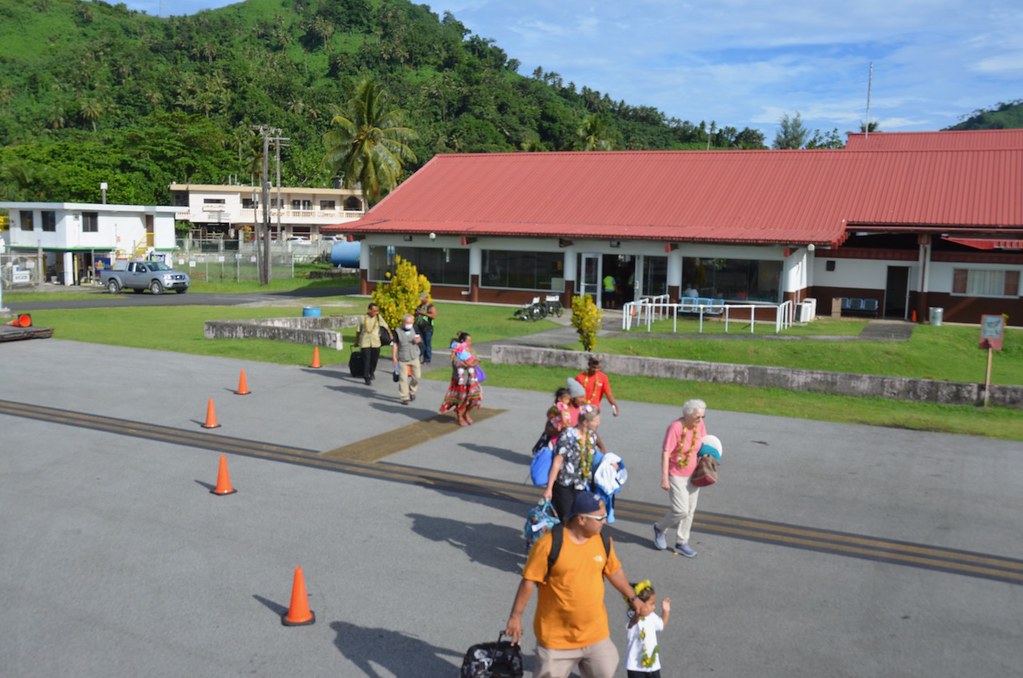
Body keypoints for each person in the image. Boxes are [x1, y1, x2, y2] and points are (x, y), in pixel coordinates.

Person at [505, 492, 641, 678]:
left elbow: (614, 571)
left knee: (606, 669)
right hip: (557, 641)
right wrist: (515, 616)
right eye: (599, 518)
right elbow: (529, 581)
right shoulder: (548, 545)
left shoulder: (603, 541)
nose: (604, 521)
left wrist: (633, 598)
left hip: (595, 635)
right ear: (581, 519)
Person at [652, 399, 707, 558]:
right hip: (676, 474)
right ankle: (659, 528)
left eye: (703, 417)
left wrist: (708, 457)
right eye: (697, 417)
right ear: (687, 415)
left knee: (690, 511)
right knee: (681, 510)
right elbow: (666, 453)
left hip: (694, 474)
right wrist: (664, 477)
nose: (700, 420)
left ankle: (682, 542)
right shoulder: (675, 427)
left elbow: (705, 443)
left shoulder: (700, 425)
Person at [544, 405, 601, 522]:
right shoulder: (567, 436)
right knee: (566, 518)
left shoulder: (591, 437)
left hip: (582, 485)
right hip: (564, 485)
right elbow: (557, 462)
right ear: (585, 422)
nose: (598, 423)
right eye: (596, 421)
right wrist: (549, 488)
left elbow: (594, 457)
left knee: (578, 519)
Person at [623, 580, 671, 678]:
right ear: (639, 604)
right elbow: (632, 623)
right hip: (635, 667)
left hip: (652, 665)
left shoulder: (651, 616)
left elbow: (661, 625)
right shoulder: (631, 616)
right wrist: (637, 612)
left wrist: (666, 611)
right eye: (651, 604)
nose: (654, 607)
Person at [439, 331, 482, 426]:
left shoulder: (471, 350)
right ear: (462, 341)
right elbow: (456, 363)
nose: (470, 343)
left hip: (471, 379)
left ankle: (466, 413)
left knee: (475, 399)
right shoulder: (456, 352)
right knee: (462, 399)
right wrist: (468, 364)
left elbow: (477, 360)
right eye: (468, 341)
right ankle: (459, 416)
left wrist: (475, 362)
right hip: (460, 380)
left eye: (470, 341)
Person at [354, 303, 391, 386]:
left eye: (377, 311)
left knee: (374, 359)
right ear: (369, 310)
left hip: (376, 342)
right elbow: (358, 331)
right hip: (365, 342)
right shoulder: (362, 318)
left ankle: (371, 372)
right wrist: (356, 342)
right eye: (374, 311)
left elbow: (386, 326)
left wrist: (390, 335)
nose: (376, 312)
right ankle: (366, 377)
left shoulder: (378, 317)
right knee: (366, 360)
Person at [391, 313, 422, 405]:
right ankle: (404, 397)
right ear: (403, 322)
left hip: (414, 355)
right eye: (407, 323)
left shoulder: (415, 328)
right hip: (403, 357)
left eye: (410, 323)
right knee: (403, 378)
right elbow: (395, 344)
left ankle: (412, 391)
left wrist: (417, 340)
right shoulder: (397, 331)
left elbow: (419, 338)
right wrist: (394, 356)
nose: (409, 324)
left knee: (417, 377)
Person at [532, 387, 572, 454]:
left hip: (561, 428)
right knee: (550, 447)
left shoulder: (566, 407)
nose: (568, 401)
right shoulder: (556, 407)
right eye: (566, 399)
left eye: (569, 399)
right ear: (559, 398)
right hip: (555, 427)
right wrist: (563, 420)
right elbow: (550, 416)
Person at [414, 293, 436, 363]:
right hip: (419, 327)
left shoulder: (431, 307)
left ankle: (427, 359)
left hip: (427, 328)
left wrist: (424, 313)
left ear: (426, 298)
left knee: (427, 343)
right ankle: (421, 357)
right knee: (421, 343)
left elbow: (433, 316)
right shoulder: (420, 306)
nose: (421, 301)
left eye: (422, 299)